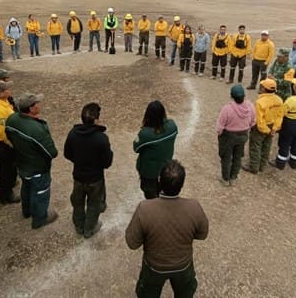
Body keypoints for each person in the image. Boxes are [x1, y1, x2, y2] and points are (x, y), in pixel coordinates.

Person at [125, 159, 208, 298]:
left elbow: (132, 243)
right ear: (182, 183)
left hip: (154, 265)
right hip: (183, 264)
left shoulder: (145, 208)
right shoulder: (194, 207)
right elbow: (202, 234)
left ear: (159, 180)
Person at [5, 93, 59, 228]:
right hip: (37, 167)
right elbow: (52, 152)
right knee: (40, 191)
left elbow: (9, 136)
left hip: (21, 163)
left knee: (27, 186)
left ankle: (27, 211)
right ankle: (40, 218)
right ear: (30, 108)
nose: (39, 105)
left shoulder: (11, 119)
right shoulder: (36, 129)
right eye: (36, 103)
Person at [64, 103, 113, 238]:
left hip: (78, 176)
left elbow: (67, 154)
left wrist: (79, 162)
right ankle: (89, 228)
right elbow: (107, 162)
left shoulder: (73, 134)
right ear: (96, 120)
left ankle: (79, 225)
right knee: (94, 203)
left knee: (78, 202)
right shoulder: (101, 138)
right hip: (95, 178)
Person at [133, 100, 178, 199]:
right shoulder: (172, 126)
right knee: (163, 193)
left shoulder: (145, 134)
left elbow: (136, 148)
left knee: (150, 195)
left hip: (149, 172)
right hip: (166, 169)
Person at [216, 84, 256, 186]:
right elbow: (253, 121)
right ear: (244, 96)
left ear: (231, 96)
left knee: (226, 157)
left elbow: (220, 125)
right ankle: (234, 178)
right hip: (243, 135)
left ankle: (225, 179)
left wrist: (220, 133)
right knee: (238, 157)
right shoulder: (250, 107)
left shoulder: (227, 109)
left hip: (228, 136)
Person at [244, 78, 284, 174]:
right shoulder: (279, 100)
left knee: (256, 147)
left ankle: (253, 167)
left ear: (264, 89)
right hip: (272, 126)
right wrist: (274, 129)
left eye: (261, 86)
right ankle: (262, 165)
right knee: (266, 146)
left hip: (261, 128)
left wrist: (265, 130)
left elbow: (259, 120)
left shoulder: (260, 102)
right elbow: (280, 116)